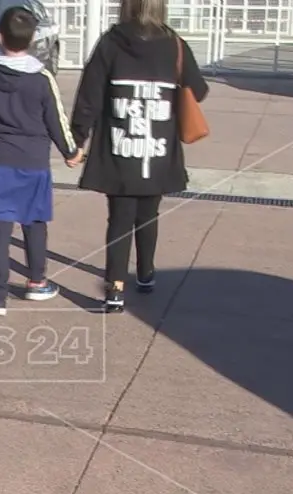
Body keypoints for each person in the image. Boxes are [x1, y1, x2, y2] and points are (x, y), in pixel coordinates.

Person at [69, 0, 208, 311]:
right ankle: (145, 273)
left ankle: (115, 288)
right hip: (157, 149)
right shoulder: (175, 45)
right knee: (149, 213)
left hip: (119, 148)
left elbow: (88, 97)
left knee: (119, 218)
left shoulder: (111, 42)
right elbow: (198, 90)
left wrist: (77, 139)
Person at [0, 7, 76, 316]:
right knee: (34, 223)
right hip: (33, 162)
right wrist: (70, 151)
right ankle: (36, 281)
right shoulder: (42, 78)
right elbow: (56, 120)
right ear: (32, 39)